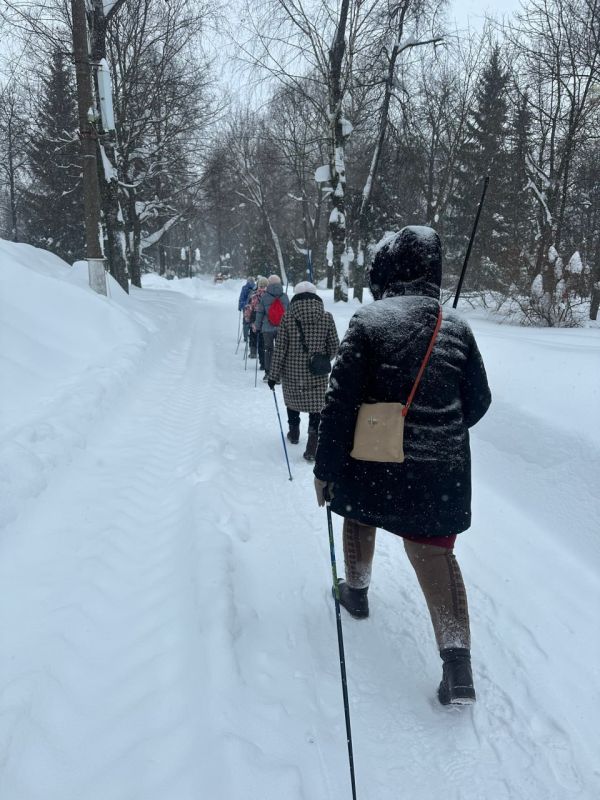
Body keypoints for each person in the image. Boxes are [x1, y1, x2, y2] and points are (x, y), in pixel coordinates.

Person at [313, 226, 491, 706]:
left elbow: (340, 403)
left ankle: (356, 591)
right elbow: (478, 402)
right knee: (435, 554)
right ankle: (457, 666)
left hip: (375, 460)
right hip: (441, 470)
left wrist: (326, 469)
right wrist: (439, 422)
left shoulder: (368, 322)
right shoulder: (456, 327)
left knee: (358, 514)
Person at [267, 281, 339, 460]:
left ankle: (294, 432)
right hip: (317, 373)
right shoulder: (326, 317)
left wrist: (273, 375)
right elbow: (335, 346)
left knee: (293, 403)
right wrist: (321, 359)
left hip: (292, 373)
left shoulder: (288, 317)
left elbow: (280, 349)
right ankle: (312, 445)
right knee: (316, 407)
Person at [254, 274, 289, 377]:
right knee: (281, 351)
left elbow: (260, 313)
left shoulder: (265, 297)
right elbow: (289, 312)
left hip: (267, 328)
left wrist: (258, 326)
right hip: (282, 328)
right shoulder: (285, 297)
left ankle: (268, 373)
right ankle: (279, 374)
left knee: (268, 350)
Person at [245, 276, 268, 365]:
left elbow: (249, 308)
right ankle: (265, 363)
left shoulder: (254, 296)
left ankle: (253, 352)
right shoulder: (270, 296)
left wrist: (247, 318)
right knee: (264, 343)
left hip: (255, 321)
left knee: (253, 336)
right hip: (267, 322)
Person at [238, 276, 256, 343]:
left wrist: (240, 306)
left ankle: (245, 336)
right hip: (253, 307)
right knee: (252, 321)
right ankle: (251, 334)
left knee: (245, 321)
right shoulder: (255, 288)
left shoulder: (244, 287)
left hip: (246, 307)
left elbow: (241, 297)